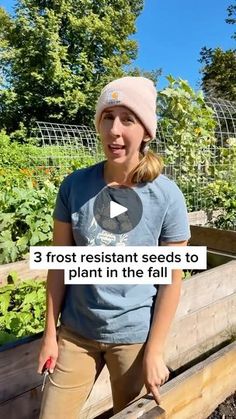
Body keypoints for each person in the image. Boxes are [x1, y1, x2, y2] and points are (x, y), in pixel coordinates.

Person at [38, 76, 191, 419]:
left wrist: (154, 350)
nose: (114, 131)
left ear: (146, 131)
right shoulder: (75, 186)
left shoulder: (166, 196)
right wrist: (51, 334)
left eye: (128, 119)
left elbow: (171, 277)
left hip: (134, 340)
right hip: (76, 334)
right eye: (107, 117)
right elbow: (60, 265)